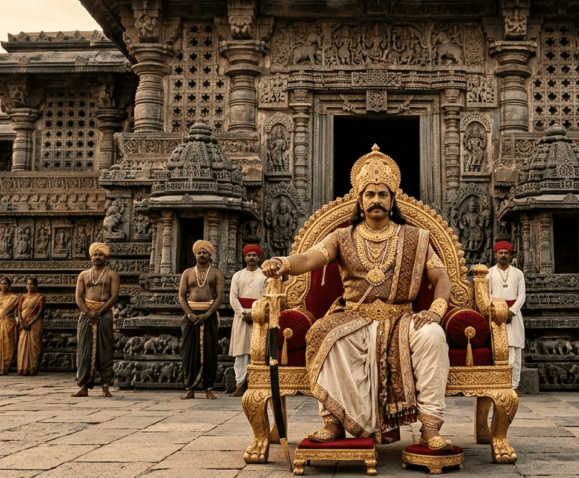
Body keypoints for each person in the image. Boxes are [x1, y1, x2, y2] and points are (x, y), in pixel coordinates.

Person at [263, 145, 454, 450]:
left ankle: (430, 428)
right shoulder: (341, 236)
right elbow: (311, 258)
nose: (376, 199)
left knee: (432, 336)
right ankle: (333, 422)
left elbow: (441, 277)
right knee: (323, 334)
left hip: (402, 318)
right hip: (354, 317)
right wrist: (283, 263)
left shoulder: (415, 238)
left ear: (392, 201)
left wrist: (437, 310)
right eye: (370, 194)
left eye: (382, 194)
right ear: (360, 201)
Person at [179, 240, 226, 400]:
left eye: (204, 252)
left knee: (210, 352)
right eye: (199, 252)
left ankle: (209, 389)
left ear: (210, 254)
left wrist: (207, 314)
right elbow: (181, 296)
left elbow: (219, 297)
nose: (201, 255)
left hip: (209, 315)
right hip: (191, 315)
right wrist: (189, 314)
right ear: (195, 254)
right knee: (188, 352)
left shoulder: (216, 273)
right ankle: (190, 388)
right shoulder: (187, 273)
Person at [73, 242, 120, 397]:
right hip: (86, 314)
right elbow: (78, 297)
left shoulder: (112, 275)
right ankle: (83, 386)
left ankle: (105, 386)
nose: (97, 257)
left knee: (105, 349)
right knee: (84, 349)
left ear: (106, 257)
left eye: (100, 255)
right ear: (91, 257)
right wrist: (88, 312)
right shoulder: (83, 275)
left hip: (104, 314)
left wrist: (99, 312)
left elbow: (114, 296)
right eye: (95, 254)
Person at [229, 244, 267, 397]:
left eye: (254, 255)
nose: (251, 258)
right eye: (249, 255)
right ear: (244, 258)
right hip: (241, 318)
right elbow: (233, 297)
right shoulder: (237, 276)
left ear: (259, 257)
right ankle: (240, 384)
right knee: (241, 351)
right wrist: (243, 313)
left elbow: (267, 298)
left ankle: (255, 384)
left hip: (259, 318)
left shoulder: (265, 276)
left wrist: (255, 313)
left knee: (257, 351)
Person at [487, 241, 526, 390]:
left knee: (515, 351)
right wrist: (500, 310)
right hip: (496, 316)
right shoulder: (489, 273)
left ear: (510, 255)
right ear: (495, 254)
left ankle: (513, 387)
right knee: (499, 350)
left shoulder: (518, 273)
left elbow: (521, 296)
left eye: (506, 253)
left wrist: (511, 311)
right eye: (500, 253)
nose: (503, 255)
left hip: (514, 316)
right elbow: (487, 295)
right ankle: (500, 385)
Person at [16, 277, 46, 375]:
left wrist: (30, 323)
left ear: (36, 286)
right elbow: (19, 311)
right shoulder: (23, 297)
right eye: (28, 284)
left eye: (32, 284)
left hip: (35, 324)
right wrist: (22, 322)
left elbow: (40, 312)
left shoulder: (40, 297)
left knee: (34, 346)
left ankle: (32, 368)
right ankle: (23, 368)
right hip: (23, 325)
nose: (29, 286)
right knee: (22, 346)